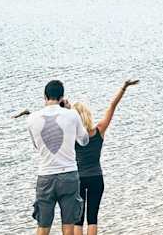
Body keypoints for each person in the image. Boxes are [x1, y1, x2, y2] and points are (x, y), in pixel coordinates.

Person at [69, 79, 138, 235]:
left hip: (78, 179)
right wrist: (123, 88)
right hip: (96, 178)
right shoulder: (99, 130)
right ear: (88, 114)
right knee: (93, 218)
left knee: (77, 219)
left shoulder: (72, 136)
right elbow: (112, 107)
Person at [26, 80, 90, 235]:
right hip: (68, 175)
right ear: (62, 97)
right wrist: (70, 111)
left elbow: (36, 146)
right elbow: (84, 140)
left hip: (45, 176)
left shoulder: (32, 118)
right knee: (68, 226)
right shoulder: (72, 115)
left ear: (44, 96)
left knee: (43, 227)